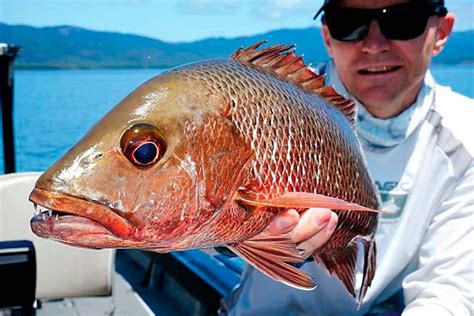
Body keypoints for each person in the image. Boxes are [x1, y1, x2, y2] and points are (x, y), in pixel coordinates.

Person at [221, 0, 474, 315]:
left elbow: (451, 288)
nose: (374, 44)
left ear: (442, 32)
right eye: (349, 22)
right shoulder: (262, 104)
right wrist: (226, 236)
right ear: (327, 37)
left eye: (404, 20)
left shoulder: (466, 138)